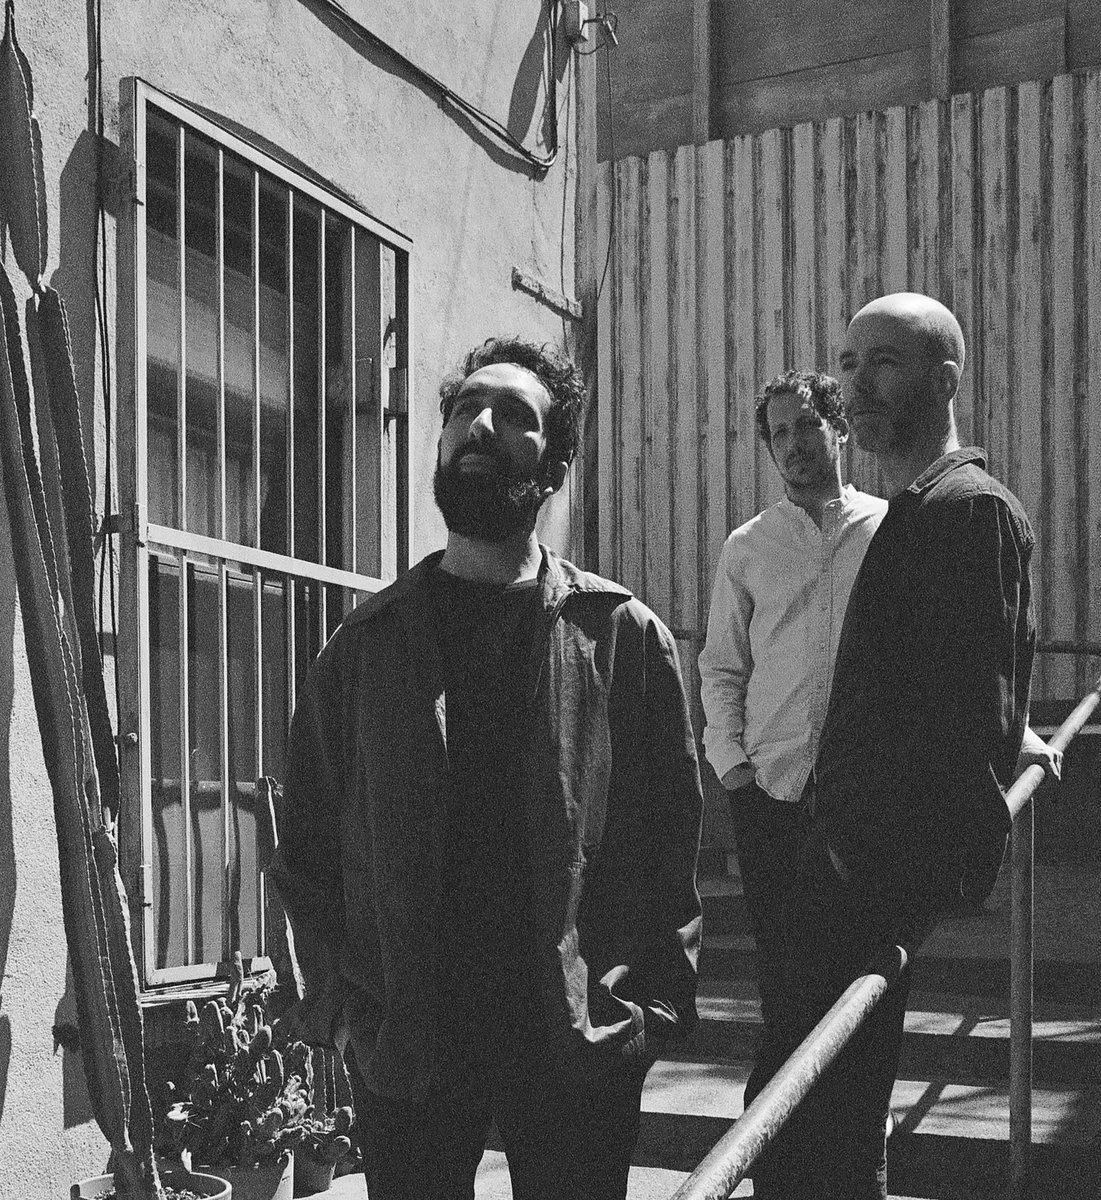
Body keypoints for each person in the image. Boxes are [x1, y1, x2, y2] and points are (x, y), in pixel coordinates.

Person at [269, 337, 704, 1200]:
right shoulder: (366, 645)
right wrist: (340, 1013)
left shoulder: (618, 636)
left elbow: (666, 840)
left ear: (554, 466)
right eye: (466, 407)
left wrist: (649, 1010)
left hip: (572, 1030)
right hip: (411, 1034)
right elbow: (308, 840)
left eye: (513, 414)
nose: (480, 424)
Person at [751, 293, 1050, 1200]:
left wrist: (867, 864)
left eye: (883, 361)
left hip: (865, 880)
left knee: (814, 1120)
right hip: (844, 867)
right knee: (808, 1111)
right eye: (847, 363)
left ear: (944, 378)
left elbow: (970, 718)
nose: (857, 384)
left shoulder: (967, 511)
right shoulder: (915, 510)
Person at [698, 370, 886, 1039]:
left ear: (840, 430)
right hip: (770, 795)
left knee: (864, 980)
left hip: (865, 795)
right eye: (779, 432)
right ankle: (782, 1110)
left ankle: (855, 1109)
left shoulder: (887, 530)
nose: (794, 442)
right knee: (784, 984)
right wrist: (732, 769)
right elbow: (722, 666)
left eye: (807, 424)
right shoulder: (747, 547)